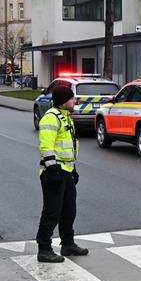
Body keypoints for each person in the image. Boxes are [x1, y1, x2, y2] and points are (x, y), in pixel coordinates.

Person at [36, 85, 88, 263]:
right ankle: (44, 249)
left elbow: (68, 147)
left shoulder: (65, 117)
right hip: (54, 173)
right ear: (64, 101)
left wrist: (73, 170)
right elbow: (46, 146)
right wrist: (52, 169)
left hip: (66, 171)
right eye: (72, 98)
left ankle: (68, 244)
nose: (75, 101)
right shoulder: (51, 119)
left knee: (69, 211)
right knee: (52, 212)